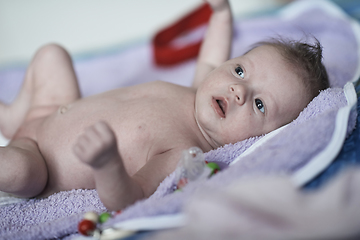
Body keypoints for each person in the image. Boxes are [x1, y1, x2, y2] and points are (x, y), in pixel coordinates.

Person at [0, 0, 329, 211]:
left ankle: (15, 133)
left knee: (16, 171)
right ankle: (16, 119)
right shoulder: (201, 89)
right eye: (240, 70)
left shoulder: (180, 150)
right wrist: (221, 14)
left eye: (259, 104)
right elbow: (214, 55)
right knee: (52, 55)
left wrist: (107, 164)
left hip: (41, 164)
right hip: (52, 108)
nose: (238, 90)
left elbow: (131, 197)